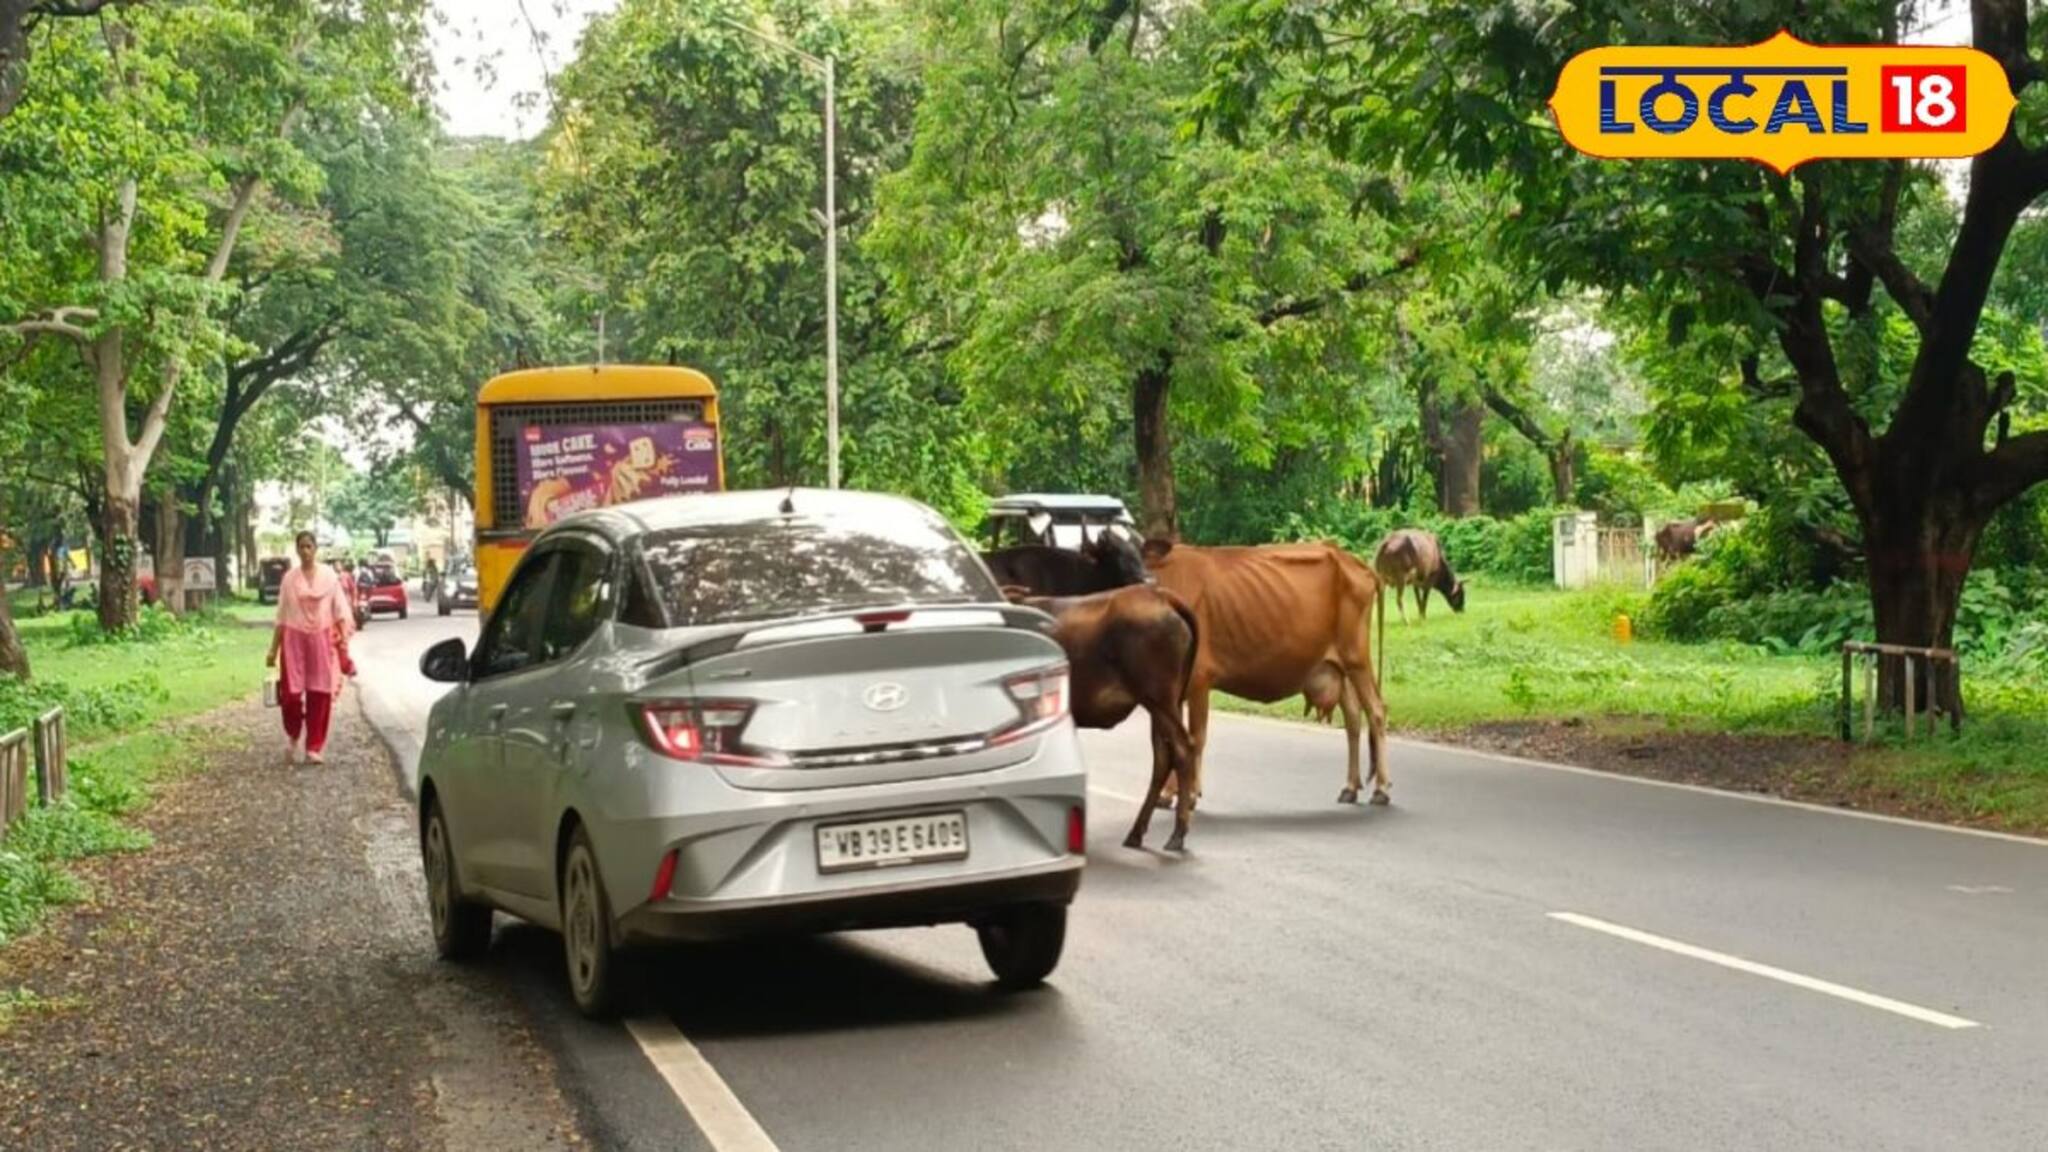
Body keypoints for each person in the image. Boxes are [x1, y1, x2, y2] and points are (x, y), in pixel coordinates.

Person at [266, 531, 354, 765]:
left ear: (315, 549)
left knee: (319, 693)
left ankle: (314, 746)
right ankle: (294, 733)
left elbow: (340, 611)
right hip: (293, 641)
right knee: (291, 696)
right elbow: (282, 616)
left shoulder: (329, 577)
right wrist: (273, 650)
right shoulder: (289, 580)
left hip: (320, 641)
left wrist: (343, 641)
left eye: (309, 546)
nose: (305, 551)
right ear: (296, 550)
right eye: (301, 547)